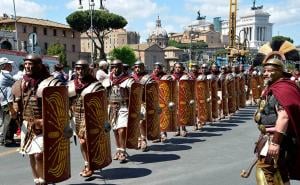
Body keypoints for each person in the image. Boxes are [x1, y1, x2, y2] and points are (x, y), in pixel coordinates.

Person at [253, 40, 300, 185]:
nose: (265, 73)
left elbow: (284, 116)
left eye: (269, 71)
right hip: (268, 136)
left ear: (279, 71)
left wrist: (275, 143)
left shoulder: (283, 89)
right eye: (264, 70)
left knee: (267, 171)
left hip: (276, 139)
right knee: (280, 171)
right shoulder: (273, 88)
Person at [11, 54, 61, 185]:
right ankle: (37, 180)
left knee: (40, 154)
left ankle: (45, 179)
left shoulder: (50, 82)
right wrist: (15, 110)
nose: (27, 66)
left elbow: (59, 106)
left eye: (30, 64)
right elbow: (17, 106)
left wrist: (45, 121)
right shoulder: (20, 83)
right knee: (32, 154)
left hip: (44, 124)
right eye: (26, 64)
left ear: (38, 65)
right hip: (27, 124)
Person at [102, 59, 134, 163]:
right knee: (115, 130)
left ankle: (123, 151)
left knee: (122, 129)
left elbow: (135, 95)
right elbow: (104, 96)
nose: (114, 69)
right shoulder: (108, 81)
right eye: (113, 67)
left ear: (121, 67)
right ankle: (118, 149)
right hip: (111, 108)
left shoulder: (128, 80)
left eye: (117, 67)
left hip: (124, 107)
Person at [0, 57, 16, 146]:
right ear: (5, 65)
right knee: (8, 119)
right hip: (7, 101)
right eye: (9, 64)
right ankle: (6, 140)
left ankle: (5, 139)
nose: (11, 66)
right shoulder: (6, 74)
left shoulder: (2, 74)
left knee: (7, 119)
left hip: (4, 100)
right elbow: (17, 82)